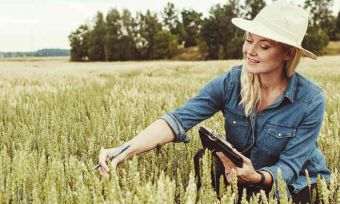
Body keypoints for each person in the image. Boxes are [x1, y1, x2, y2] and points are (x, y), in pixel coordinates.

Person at [98, 1, 330, 203]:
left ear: (288, 54)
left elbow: (289, 167)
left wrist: (257, 177)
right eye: (249, 40)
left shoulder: (310, 100)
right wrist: (124, 151)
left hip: (299, 185)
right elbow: (177, 119)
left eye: (264, 46)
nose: (251, 51)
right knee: (205, 159)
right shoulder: (231, 82)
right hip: (245, 177)